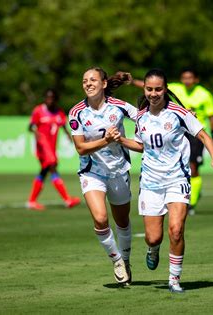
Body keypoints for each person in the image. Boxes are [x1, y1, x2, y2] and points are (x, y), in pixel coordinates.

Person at [118, 69, 213, 293]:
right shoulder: (141, 116)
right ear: (145, 89)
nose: (154, 93)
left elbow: (203, 135)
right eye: (149, 89)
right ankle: (153, 249)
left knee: (176, 230)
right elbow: (141, 145)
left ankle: (174, 280)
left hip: (177, 178)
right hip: (150, 182)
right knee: (153, 237)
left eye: (158, 89)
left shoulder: (178, 112)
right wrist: (120, 140)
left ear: (166, 89)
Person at [68, 67, 137, 285]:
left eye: (93, 80)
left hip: (118, 170)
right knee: (100, 218)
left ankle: (126, 260)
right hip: (92, 172)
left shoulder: (120, 107)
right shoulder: (76, 112)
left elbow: (149, 115)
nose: (88, 84)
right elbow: (80, 148)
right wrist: (106, 140)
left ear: (104, 84)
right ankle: (116, 260)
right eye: (84, 80)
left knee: (122, 221)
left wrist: (182, 114)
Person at [133, 68, 213, 214]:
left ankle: (192, 200)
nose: (187, 81)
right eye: (184, 77)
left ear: (195, 79)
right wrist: (132, 81)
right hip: (172, 133)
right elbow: (151, 83)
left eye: (190, 78)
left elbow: (211, 116)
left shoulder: (204, 94)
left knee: (194, 168)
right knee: (153, 238)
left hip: (193, 132)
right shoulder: (175, 88)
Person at [26, 88, 81, 211]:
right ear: (45, 98)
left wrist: (69, 136)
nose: (49, 100)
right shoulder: (38, 111)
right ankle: (67, 199)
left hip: (51, 147)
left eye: (52, 98)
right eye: (48, 97)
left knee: (45, 171)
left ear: (55, 99)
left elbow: (63, 126)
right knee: (52, 167)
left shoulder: (59, 113)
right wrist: (35, 132)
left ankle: (32, 201)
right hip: (42, 147)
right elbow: (30, 126)